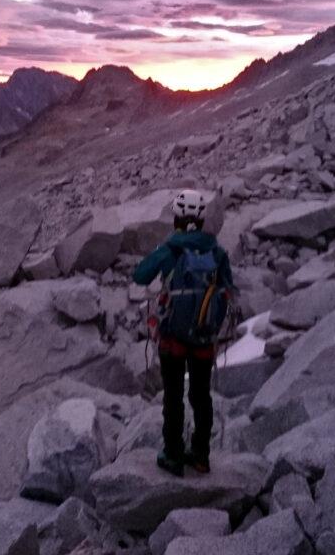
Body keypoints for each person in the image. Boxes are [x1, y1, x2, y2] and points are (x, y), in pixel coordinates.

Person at [133, 190, 234, 477]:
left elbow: (140, 276)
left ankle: (173, 454)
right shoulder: (216, 252)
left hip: (173, 339)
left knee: (173, 395)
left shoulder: (170, 249)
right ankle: (201, 455)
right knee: (201, 396)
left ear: (177, 218)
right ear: (202, 219)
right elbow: (228, 288)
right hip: (204, 338)